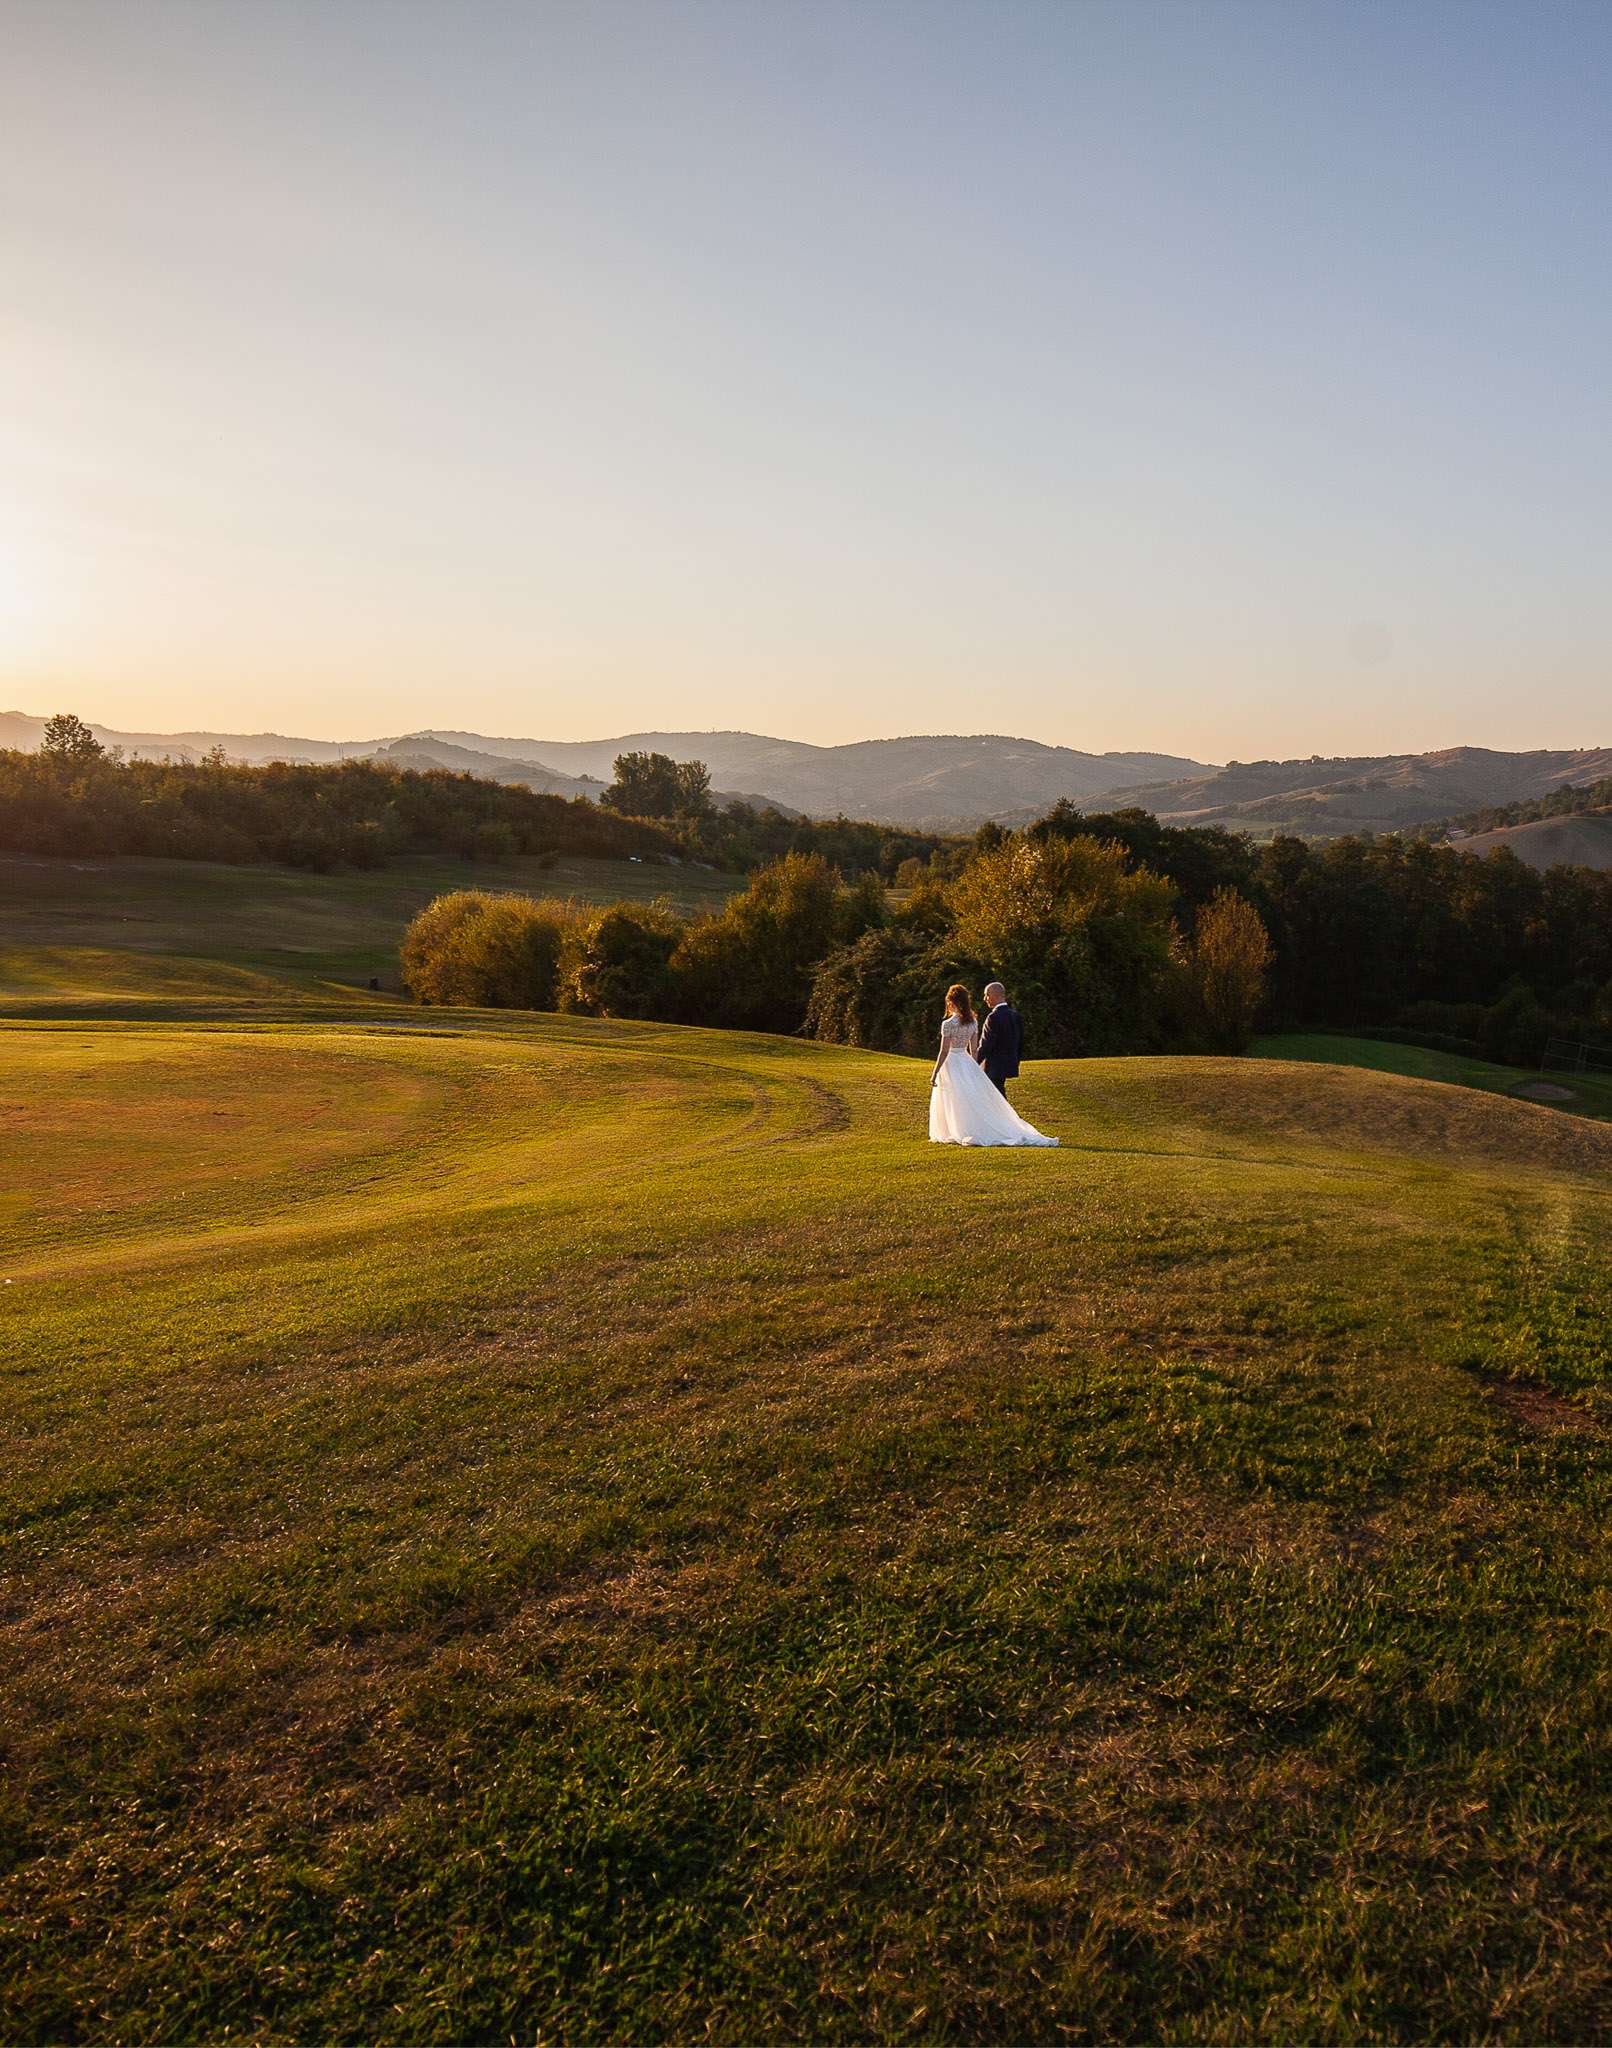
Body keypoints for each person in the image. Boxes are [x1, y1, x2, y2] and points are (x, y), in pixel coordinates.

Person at [929, 984, 1057, 1148]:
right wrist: (973, 1068)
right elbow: (974, 1049)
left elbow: (944, 1051)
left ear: (951, 1002)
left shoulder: (948, 1024)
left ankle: (955, 1129)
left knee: (953, 1097)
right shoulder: (973, 1022)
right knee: (967, 1097)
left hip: (952, 1062)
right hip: (966, 1061)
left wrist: (935, 1073)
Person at [974, 981, 1023, 1097]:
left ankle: (1008, 1116)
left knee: (996, 1098)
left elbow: (986, 1045)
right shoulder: (1015, 1015)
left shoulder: (993, 1017)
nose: (985, 998)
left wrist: (974, 1063)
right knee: (997, 1095)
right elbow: (1020, 1043)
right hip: (1009, 1064)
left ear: (995, 994)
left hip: (994, 1066)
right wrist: (1016, 1061)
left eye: (987, 995)